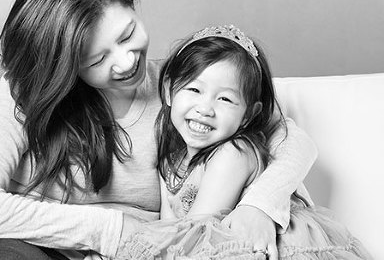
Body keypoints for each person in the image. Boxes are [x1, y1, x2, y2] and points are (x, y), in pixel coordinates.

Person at [0, 0, 317, 260]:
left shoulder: (183, 89)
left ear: (131, 2)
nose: (125, 62)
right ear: (64, 66)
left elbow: (294, 143)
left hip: (147, 251)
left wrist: (261, 205)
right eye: (96, 60)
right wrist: (110, 230)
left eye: (127, 35)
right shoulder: (25, 92)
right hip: (35, 247)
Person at [116, 25, 371, 259]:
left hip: (260, 247)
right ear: (170, 91)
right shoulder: (171, 152)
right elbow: (169, 227)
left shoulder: (234, 153)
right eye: (194, 90)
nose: (205, 108)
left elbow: (196, 232)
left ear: (249, 114)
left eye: (225, 99)